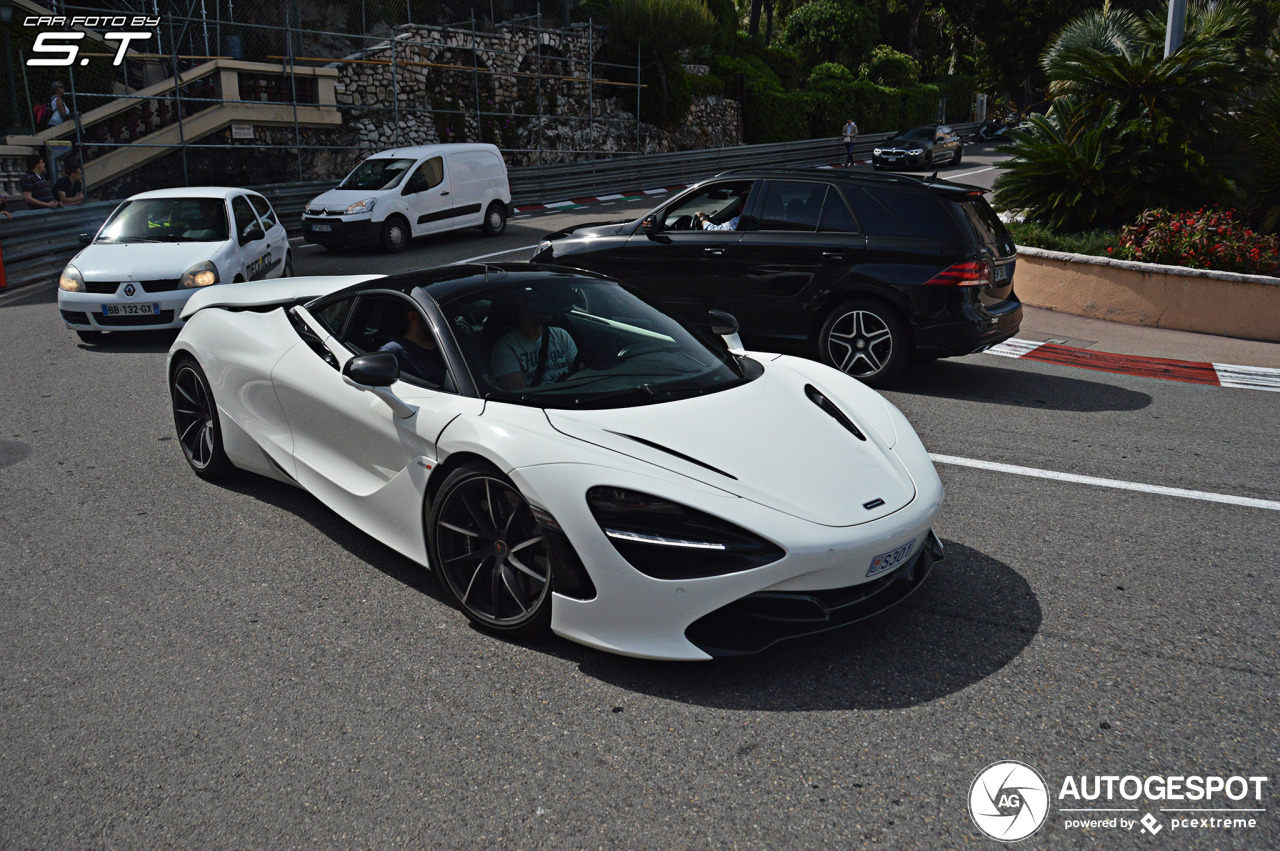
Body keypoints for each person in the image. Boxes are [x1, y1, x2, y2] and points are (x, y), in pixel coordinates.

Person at [491, 291, 579, 390]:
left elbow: (581, 376)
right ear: (522, 306)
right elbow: (519, 396)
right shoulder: (505, 347)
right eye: (539, 301)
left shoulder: (562, 335)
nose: (547, 306)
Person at [378, 308, 446, 387]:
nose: (443, 321)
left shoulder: (451, 349)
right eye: (437, 315)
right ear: (414, 317)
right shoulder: (393, 353)